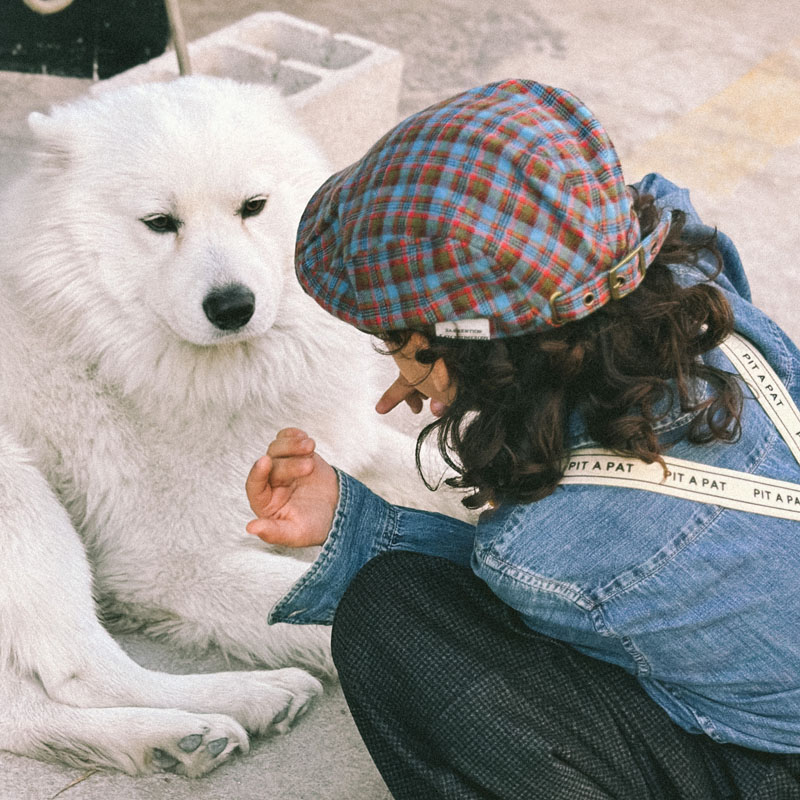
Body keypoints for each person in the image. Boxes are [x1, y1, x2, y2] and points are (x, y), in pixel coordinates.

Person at [245, 80, 800, 799]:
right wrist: (457, 364)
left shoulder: (539, 553)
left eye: (396, 341)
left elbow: (518, 595)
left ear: (465, 352)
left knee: (393, 616)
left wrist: (365, 524)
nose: (394, 364)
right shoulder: (706, 288)